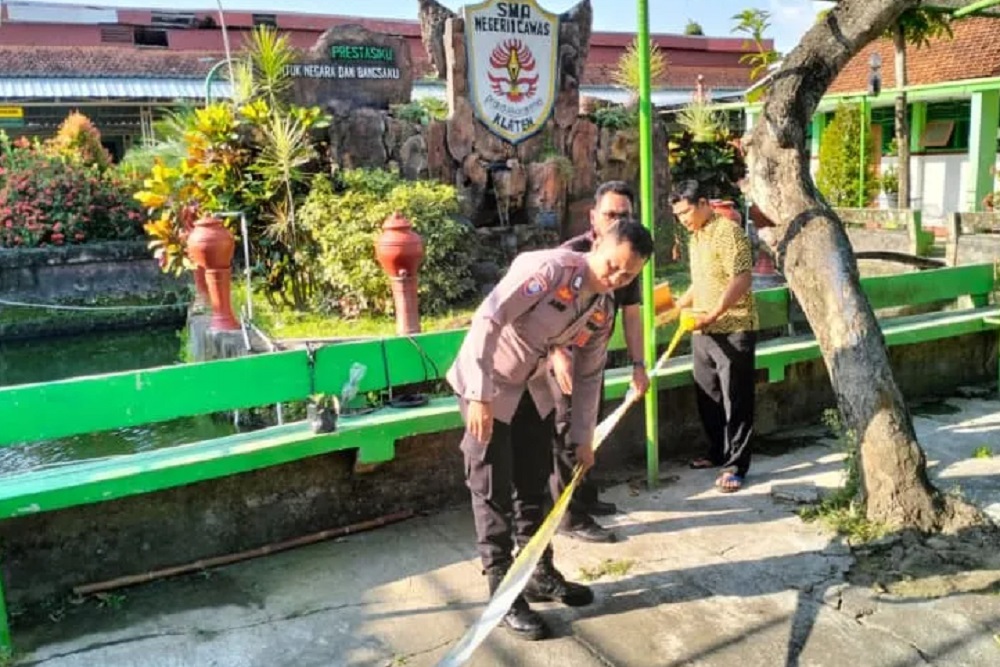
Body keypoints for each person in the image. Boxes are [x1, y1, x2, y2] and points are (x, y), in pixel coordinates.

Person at [447, 219, 654, 641]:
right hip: (487, 382)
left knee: (535, 482)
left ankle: (538, 571)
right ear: (597, 245)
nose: (615, 277)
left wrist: (583, 438)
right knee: (491, 489)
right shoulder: (549, 270)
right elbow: (488, 318)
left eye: (628, 274)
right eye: (613, 265)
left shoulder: (602, 309)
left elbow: (590, 374)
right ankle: (502, 594)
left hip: (533, 389)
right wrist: (480, 394)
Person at [549, 181, 650, 544]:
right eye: (610, 214)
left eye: (624, 215)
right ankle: (569, 516)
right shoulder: (570, 255)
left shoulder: (630, 258)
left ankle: (585, 497)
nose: (616, 221)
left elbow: (633, 315)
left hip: (594, 359)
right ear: (593, 216)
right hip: (561, 361)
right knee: (567, 434)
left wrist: (639, 365)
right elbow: (546, 314)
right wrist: (557, 354)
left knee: (588, 427)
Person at [669, 179, 758, 493]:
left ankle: (736, 465)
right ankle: (716, 451)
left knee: (736, 398)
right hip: (702, 328)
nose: (683, 220)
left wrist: (714, 314)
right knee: (707, 395)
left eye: (686, 212)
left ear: (704, 203)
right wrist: (677, 306)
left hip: (733, 328)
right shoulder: (696, 237)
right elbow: (703, 279)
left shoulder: (728, 231)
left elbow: (742, 278)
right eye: (678, 215)